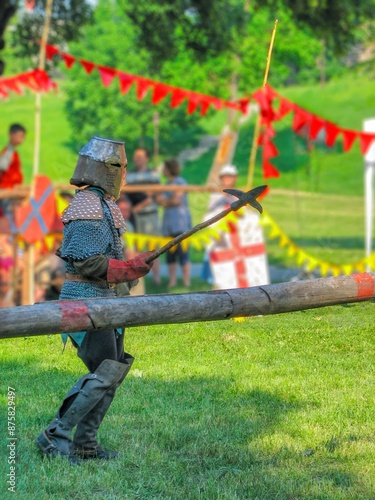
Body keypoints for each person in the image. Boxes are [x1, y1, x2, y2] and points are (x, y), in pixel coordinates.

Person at [36, 137, 153, 464]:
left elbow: (107, 258)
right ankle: (53, 434)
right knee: (104, 371)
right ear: (104, 169)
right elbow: (88, 262)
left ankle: (86, 444)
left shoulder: (102, 203)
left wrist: (130, 269)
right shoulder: (88, 204)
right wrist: (126, 268)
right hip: (86, 299)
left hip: (107, 300)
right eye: (119, 166)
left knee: (112, 371)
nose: (124, 173)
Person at [126, 147, 161, 285]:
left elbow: (153, 194)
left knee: (153, 247)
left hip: (149, 214)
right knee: (137, 247)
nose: (137, 159)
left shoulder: (153, 175)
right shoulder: (130, 175)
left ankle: (157, 278)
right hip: (134, 217)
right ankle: (139, 279)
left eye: (140, 156)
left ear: (147, 158)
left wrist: (137, 207)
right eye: (135, 156)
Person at [156, 159, 192, 289]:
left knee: (183, 253)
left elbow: (176, 200)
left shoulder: (180, 182)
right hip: (168, 224)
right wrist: (167, 201)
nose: (163, 170)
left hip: (180, 223)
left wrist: (166, 201)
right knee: (170, 254)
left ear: (170, 168)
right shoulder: (166, 184)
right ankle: (172, 282)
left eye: (164, 168)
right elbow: (160, 201)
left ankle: (187, 282)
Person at [0, 123, 26, 217]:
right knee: (9, 215)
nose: (21, 139)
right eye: (19, 136)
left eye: (23, 137)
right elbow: (1, 168)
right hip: (7, 189)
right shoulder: (9, 152)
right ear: (11, 134)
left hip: (11, 188)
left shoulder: (12, 152)